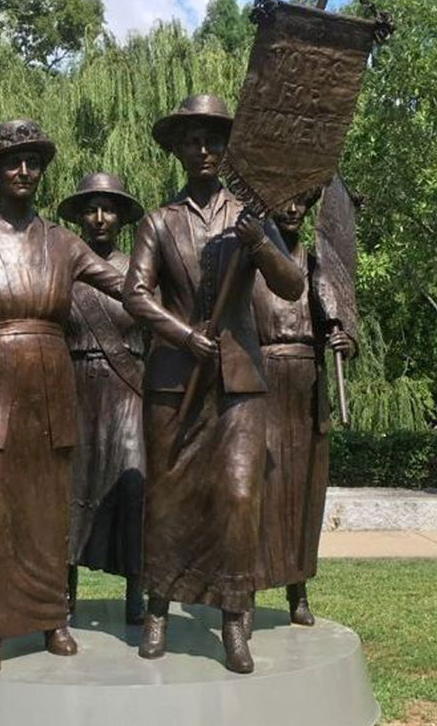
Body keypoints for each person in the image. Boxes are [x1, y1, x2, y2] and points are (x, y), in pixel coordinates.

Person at [0, 120, 125, 675]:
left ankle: (51, 617)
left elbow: (125, 288)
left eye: (33, 161)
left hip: (48, 378)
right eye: (12, 161)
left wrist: (182, 325)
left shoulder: (63, 242)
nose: (23, 171)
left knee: (45, 510)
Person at [123, 94, 304, 674]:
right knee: (169, 499)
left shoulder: (249, 219)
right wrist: (181, 334)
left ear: (227, 149)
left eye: (213, 141)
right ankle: (158, 608)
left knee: (239, 497)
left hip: (241, 380)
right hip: (177, 380)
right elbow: (135, 294)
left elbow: (293, 285)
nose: (203, 150)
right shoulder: (159, 221)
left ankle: (233, 617)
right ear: (177, 149)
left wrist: (258, 243)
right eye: (192, 141)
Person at [253, 192, 357, 625]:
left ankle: (299, 591)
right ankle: (247, 588)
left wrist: (346, 340)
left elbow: (346, 321)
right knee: (260, 492)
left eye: (301, 202)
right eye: (284, 201)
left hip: (307, 386)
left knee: (305, 493)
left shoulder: (318, 265)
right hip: (262, 380)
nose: (292, 209)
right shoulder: (253, 263)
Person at [60, 173, 147, 626]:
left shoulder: (139, 268)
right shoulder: (64, 268)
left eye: (108, 208)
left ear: (121, 217)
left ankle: (137, 585)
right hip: (74, 383)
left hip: (128, 386)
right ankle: (64, 591)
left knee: (134, 484)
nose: (99, 218)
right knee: (70, 487)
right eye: (90, 208)